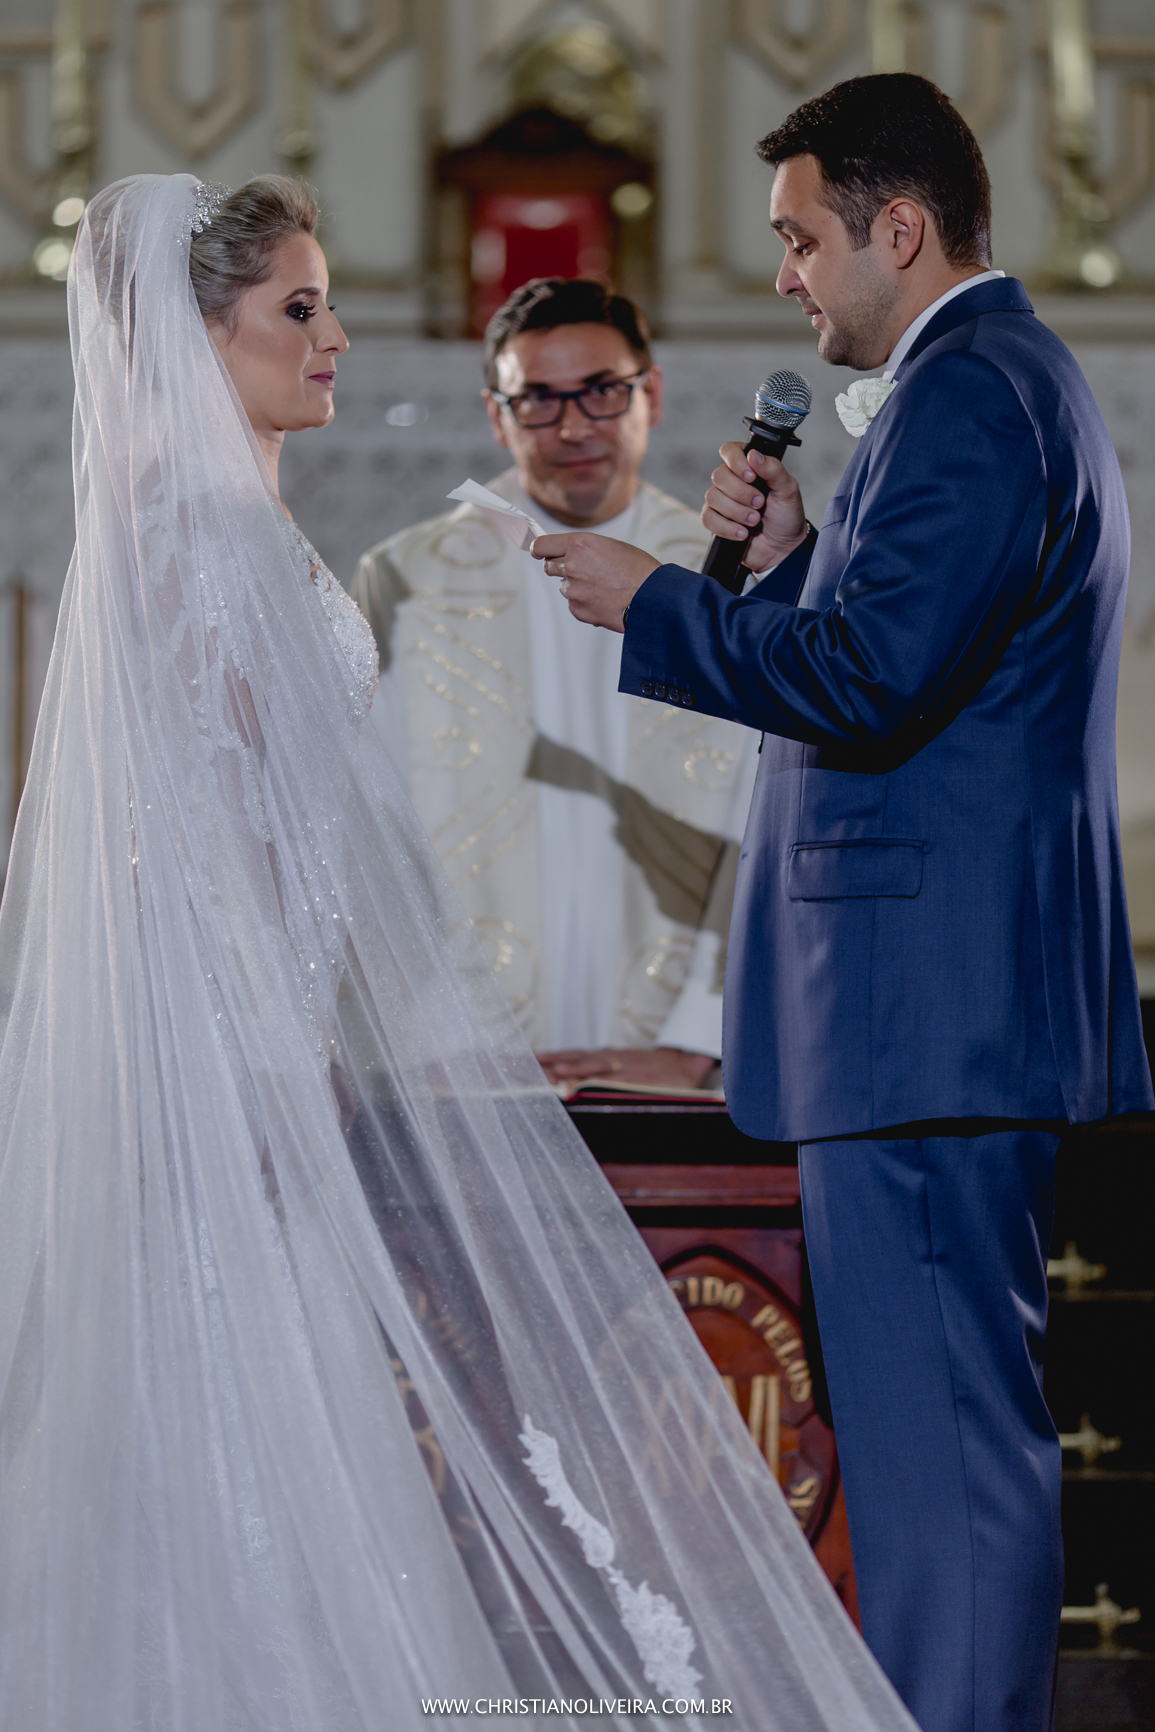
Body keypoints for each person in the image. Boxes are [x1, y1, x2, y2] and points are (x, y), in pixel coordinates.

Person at [0, 172, 919, 1730]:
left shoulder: (214, 519)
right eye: (297, 308)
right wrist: (283, 1085)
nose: (338, 335)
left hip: (263, 1067)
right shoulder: (209, 536)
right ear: (192, 333)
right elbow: (210, 865)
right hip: (242, 1086)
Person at [533, 74, 1155, 1732]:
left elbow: (875, 686)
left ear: (900, 226)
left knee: (948, 1462)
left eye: (805, 239)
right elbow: (912, 648)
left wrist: (657, 602)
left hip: (924, 1011)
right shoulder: (981, 386)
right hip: (926, 1009)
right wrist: (798, 550)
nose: (791, 275)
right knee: (928, 1451)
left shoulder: (970, 396)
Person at [352, 279, 758, 1093]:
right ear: (496, 414)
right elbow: (366, 830)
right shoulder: (405, 578)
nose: (573, 427)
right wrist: (435, 1040)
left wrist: (699, 1039)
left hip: (686, 1063)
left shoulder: (727, 578)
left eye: (603, 392)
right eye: (537, 399)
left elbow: (771, 814)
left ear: (652, 395)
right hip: (469, 1060)